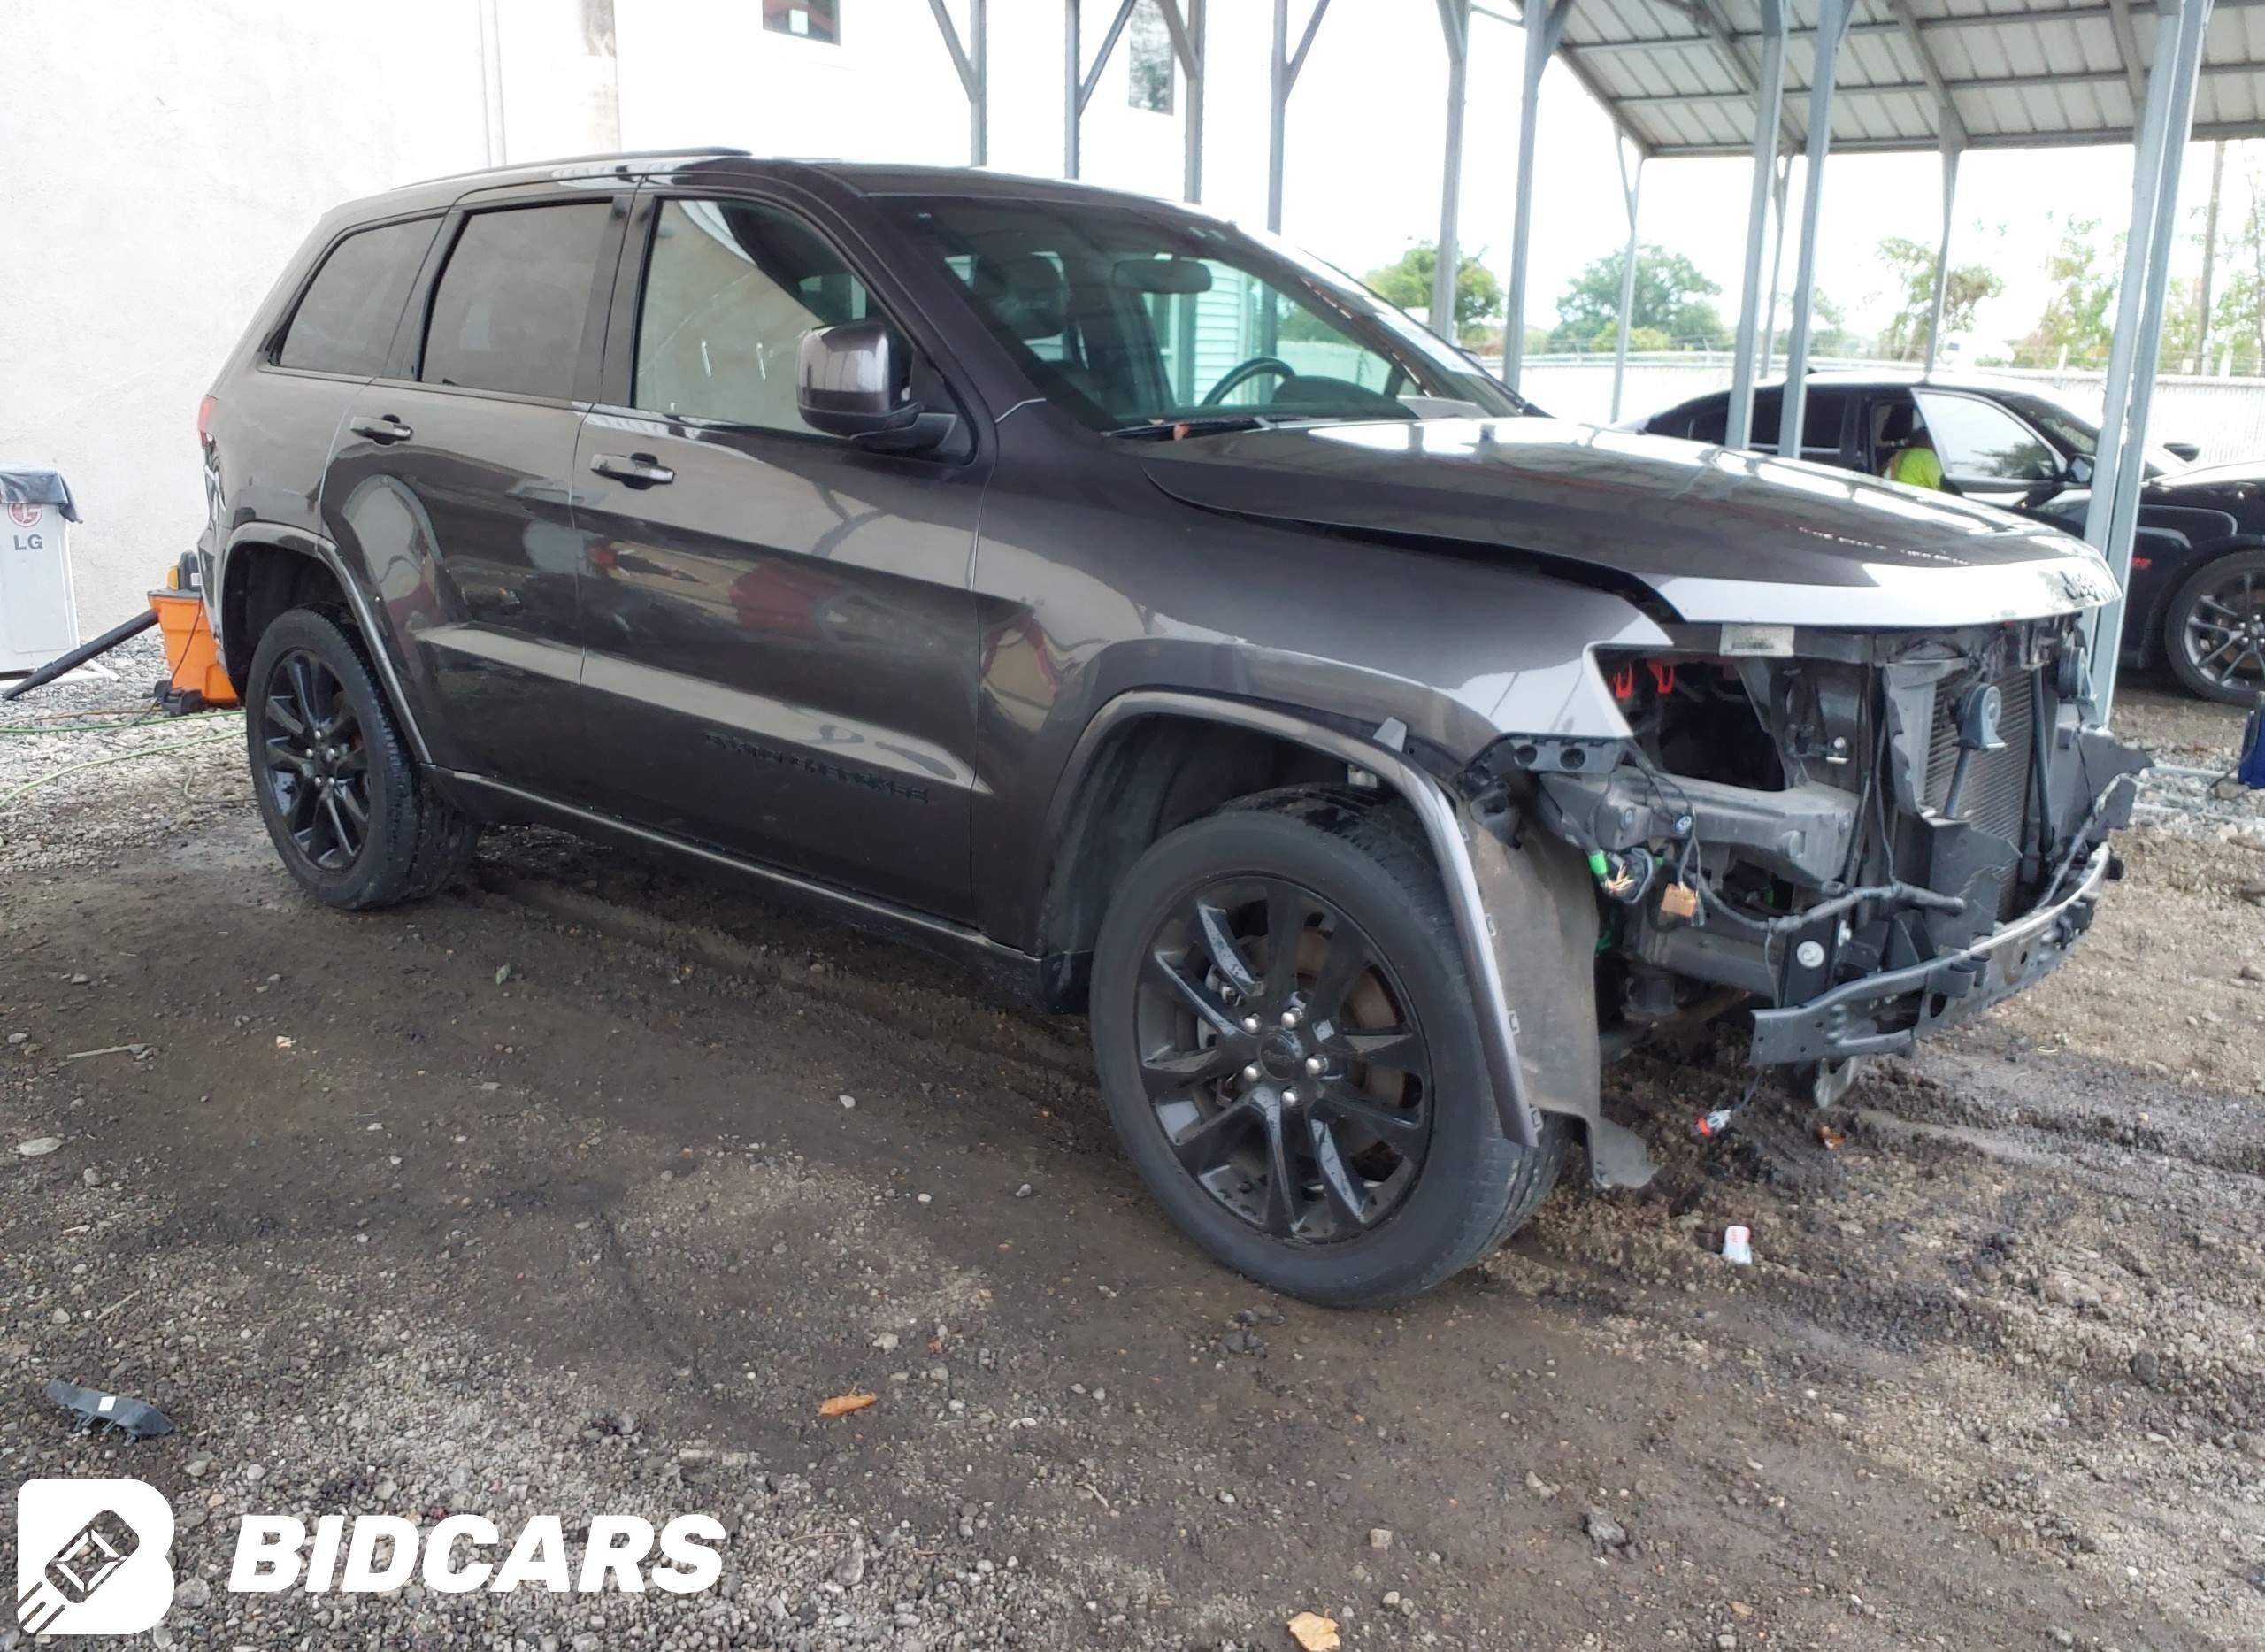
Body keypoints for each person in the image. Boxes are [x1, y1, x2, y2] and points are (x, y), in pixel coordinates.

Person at [1885, 425, 1945, 490]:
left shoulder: (1900, 454)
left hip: (1898, 495)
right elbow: (1941, 486)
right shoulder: (1927, 456)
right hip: (1915, 498)